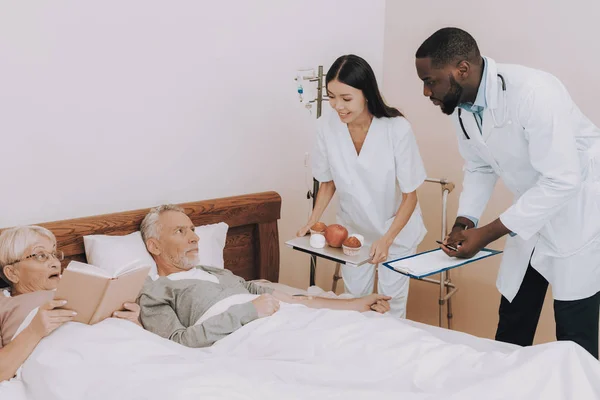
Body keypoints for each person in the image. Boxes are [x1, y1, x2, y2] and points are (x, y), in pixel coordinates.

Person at [415, 27, 600, 357]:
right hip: (531, 208)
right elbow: (479, 166)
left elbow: (563, 180)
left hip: (579, 208)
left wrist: (487, 233)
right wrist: (465, 221)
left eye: (431, 80)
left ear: (462, 69)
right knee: (514, 315)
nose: (426, 91)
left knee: (574, 334)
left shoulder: (534, 92)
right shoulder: (462, 106)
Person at [137, 204, 391, 348]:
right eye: (180, 231)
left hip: (283, 321)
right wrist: (249, 311)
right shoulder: (156, 290)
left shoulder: (217, 273)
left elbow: (296, 300)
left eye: (192, 229)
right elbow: (178, 342)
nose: (195, 237)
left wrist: (354, 305)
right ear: (155, 246)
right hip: (248, 338)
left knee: (364, 343)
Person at [297, 54, 428, 319]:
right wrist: (312, 220)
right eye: (331, 97)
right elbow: (327, 182)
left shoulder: (396, 129)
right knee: (355, 304)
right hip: (355, 231)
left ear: (366, 93)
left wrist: (387, 239)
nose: (337, 106)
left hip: (396, 232)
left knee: (391, 305)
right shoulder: (326, 126)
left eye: (346, 99)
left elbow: (410, 196)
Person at [0, 225, 141, 382]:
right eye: (40, 256)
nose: (55, 262)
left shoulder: (83, 287)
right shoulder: (3, 303)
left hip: (121, 354)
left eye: (54, 254)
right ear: (12, 273)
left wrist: (133, 323)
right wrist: (34, 330)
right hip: (72, 368)